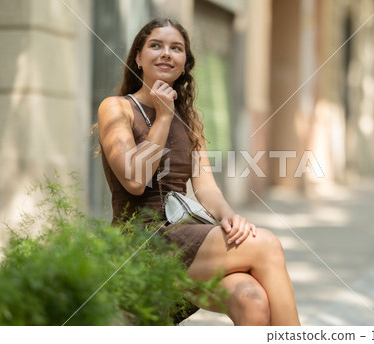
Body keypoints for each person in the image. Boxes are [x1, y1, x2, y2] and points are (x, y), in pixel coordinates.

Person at [97, 17, 300, 326]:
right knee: (267, 244)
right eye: (156, 45)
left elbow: (205, 186)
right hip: (140, 239)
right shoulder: (116, 108)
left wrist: (229, 216)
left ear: (184, 63)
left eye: (175, 48)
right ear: (138, 58)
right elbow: (135, 180)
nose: (166, 53)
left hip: (182, 234)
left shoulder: (190, 118)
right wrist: (163, 118)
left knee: (251, 299)